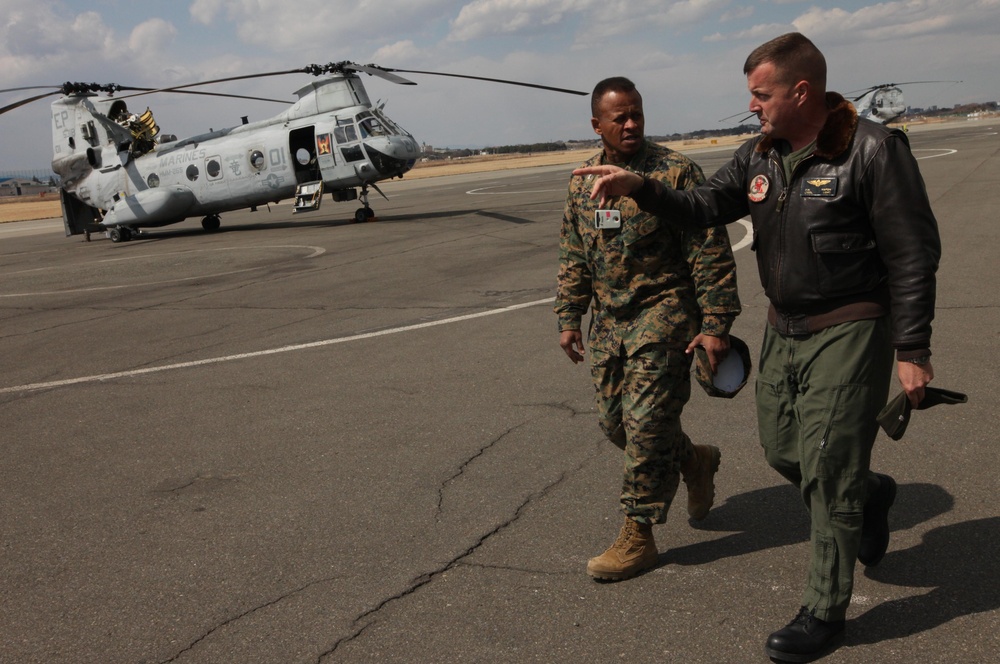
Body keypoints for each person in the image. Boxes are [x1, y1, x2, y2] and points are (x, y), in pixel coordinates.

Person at [574, 34, 940, 662]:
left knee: (826, 469)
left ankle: (824, 612)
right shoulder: (759, 156)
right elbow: (705, 205)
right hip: (784, 328)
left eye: (760, 93)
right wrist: (644, 188)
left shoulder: (874, 151)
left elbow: (912, 253)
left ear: (801, 91)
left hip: (851, 326)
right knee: (782, 450)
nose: (752, 105)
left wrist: (912, 346)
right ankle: (871, 491)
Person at [555, 77, 742, 582]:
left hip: (666, 314)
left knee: (645, 426)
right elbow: (575, 252)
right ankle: (695, 461)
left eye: (637, 113)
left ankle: (638, 535)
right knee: (618, 425)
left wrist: (717, 322)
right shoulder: (581, 182)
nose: (632, 123)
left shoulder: (675, 172)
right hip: (611, 324)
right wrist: (569, 316)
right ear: (597, 125)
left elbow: (709, 250)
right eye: (620, 117)